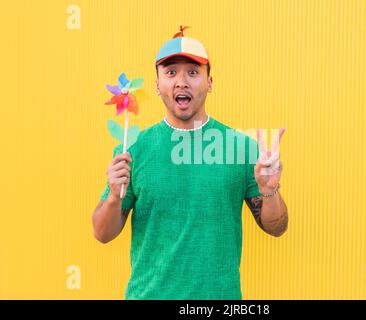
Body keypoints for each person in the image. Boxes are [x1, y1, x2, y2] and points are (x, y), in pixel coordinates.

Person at [92, 26, 288, 300]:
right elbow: (102, 234)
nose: (181, 81)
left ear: (210, 82)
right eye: (171, 73)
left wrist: (269, 189)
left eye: (193, 72)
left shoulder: (240, 148)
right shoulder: (131, 149)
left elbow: (276, 227)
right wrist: (114, 197)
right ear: (157, 85)